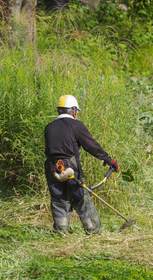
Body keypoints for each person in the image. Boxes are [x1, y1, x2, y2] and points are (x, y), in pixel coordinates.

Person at [44, 95, 119, 234]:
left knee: (59, 198)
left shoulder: (49, 127)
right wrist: (109, 160)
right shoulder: (76, 125)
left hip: (51, 168)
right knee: (81, 198)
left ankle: (61, 231)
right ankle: (93, 230)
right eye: (76, 111)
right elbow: (92, 146)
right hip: (70, 167)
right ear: (73, 111)